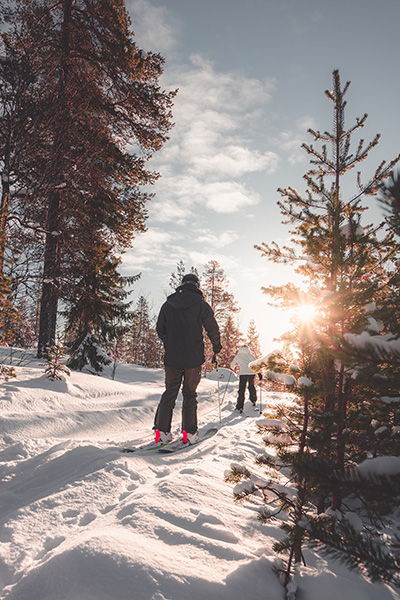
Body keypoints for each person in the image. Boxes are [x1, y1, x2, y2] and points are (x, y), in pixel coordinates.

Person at [154, 273, 222, 445]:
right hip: (193, 359)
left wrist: (169, 342)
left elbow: (160, 328)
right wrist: (216, 348)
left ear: (182, 284)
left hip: (172, 358)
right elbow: (212, 328)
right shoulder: (201, 305)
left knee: (170, 392)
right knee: (190, 394)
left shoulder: (168, 304)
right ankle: (189, 433)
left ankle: (161, 432)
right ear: (197, 286)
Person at [231, 345, 261, 413]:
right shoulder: (250, 355)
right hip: (251, 373)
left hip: (243, 373)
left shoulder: (239, 355)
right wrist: (258, 373)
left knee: (242, 389)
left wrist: (234, 367)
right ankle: (253, 400)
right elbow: (256, 364)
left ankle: (240, 406)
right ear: (248, 349)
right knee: (251, 386)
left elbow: (232, 364)